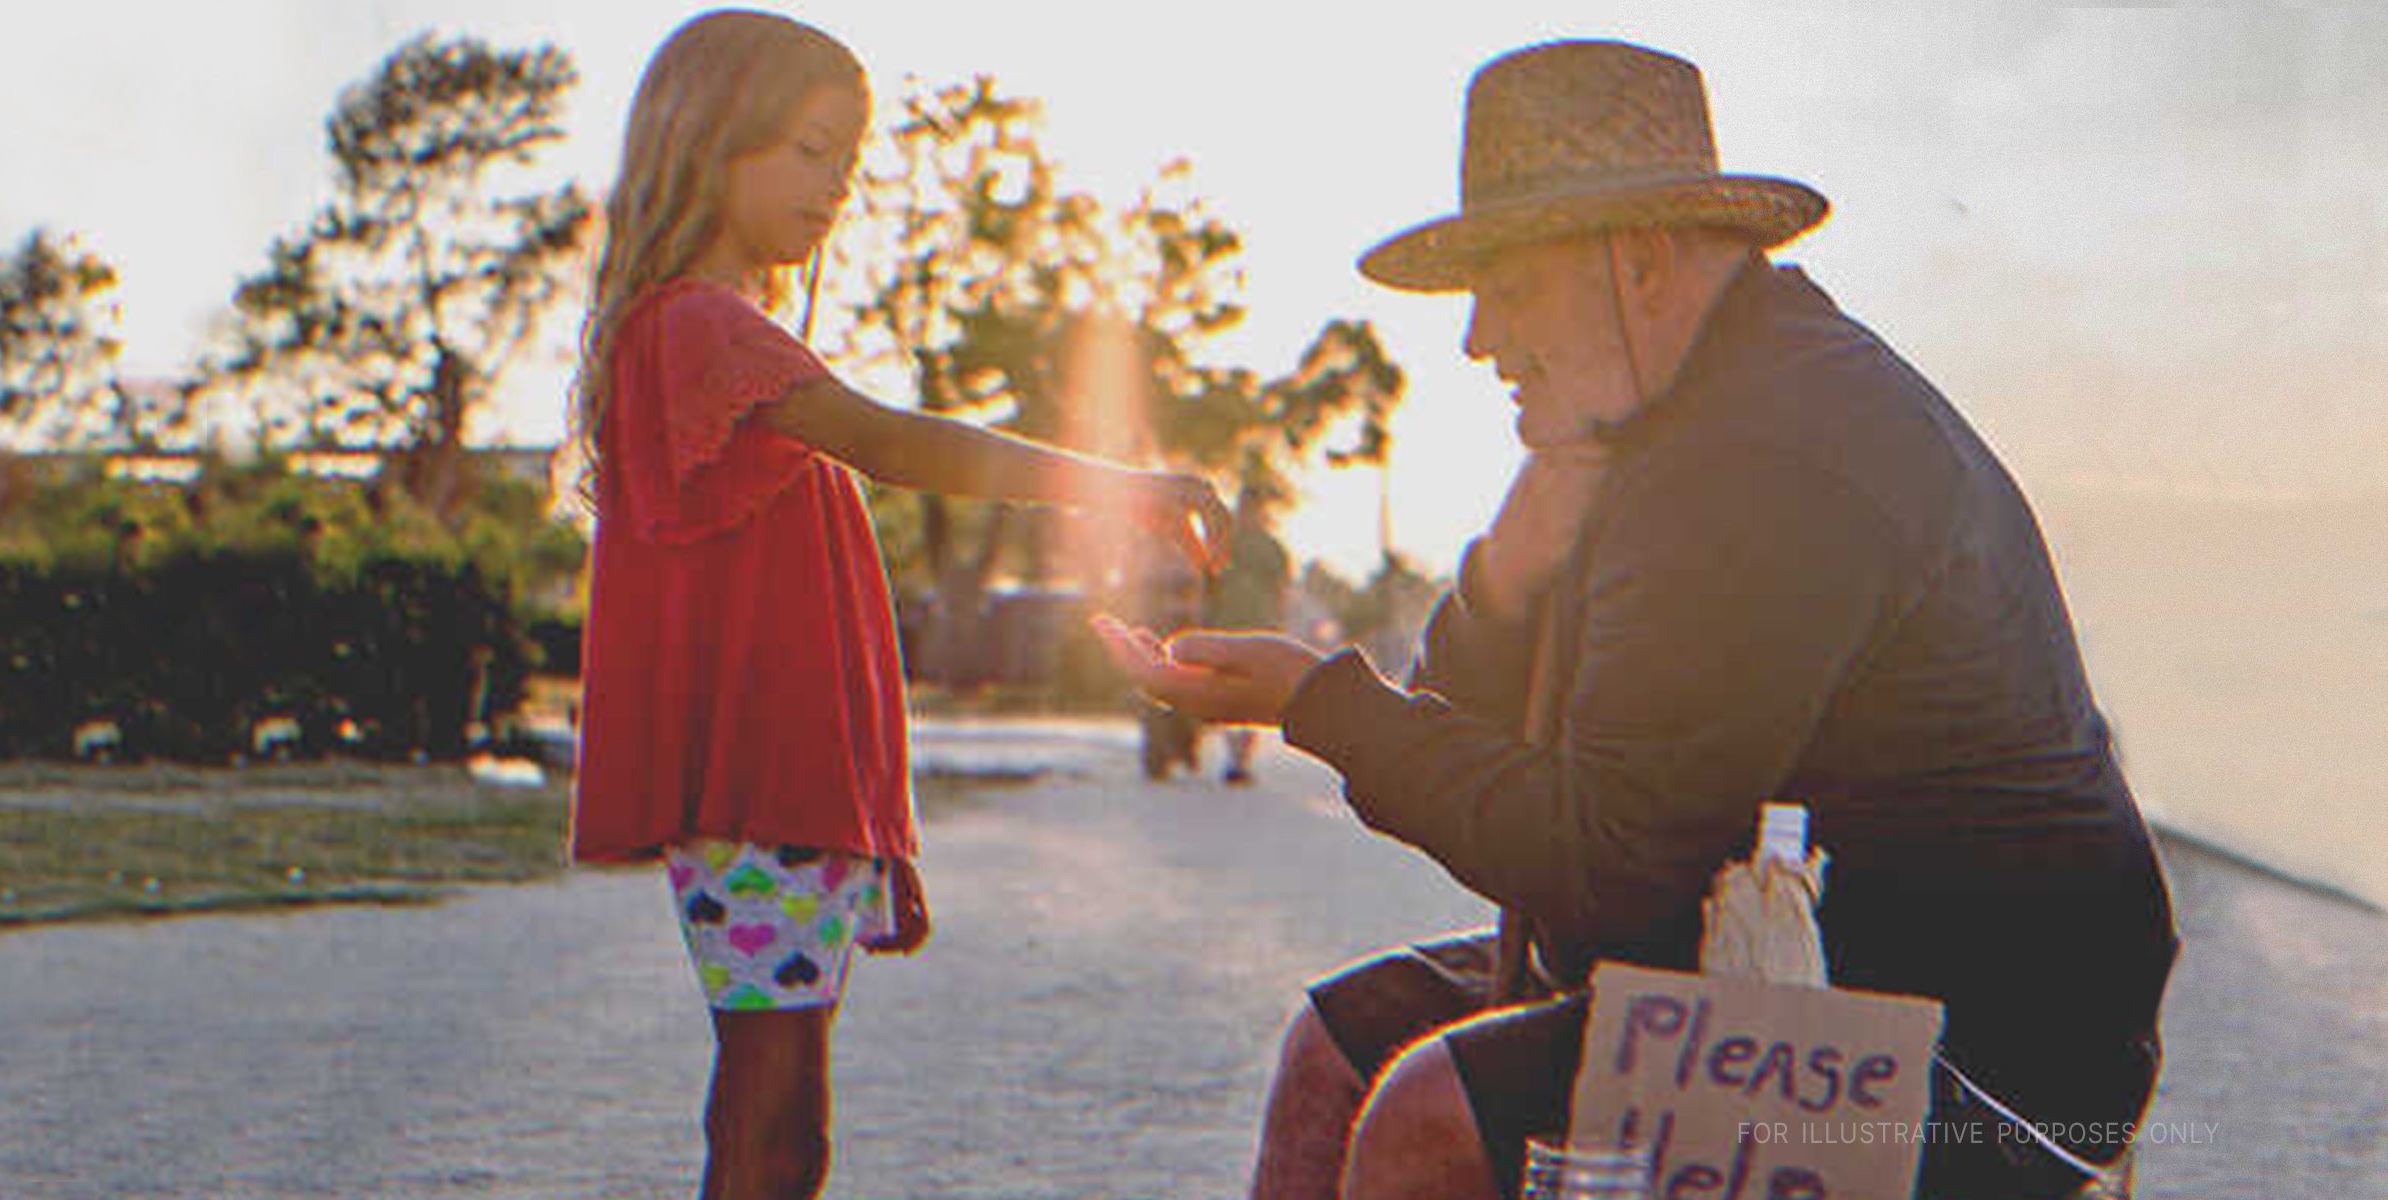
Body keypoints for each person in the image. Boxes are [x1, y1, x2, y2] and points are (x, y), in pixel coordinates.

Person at [1098, 40, 2177, 1200]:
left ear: (1643, 262)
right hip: (1759, 953)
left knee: (1430, 1118)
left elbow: (1599, 861)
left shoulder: (1766, 458)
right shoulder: (1658, 423)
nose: (1478, 339)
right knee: (1337, 1054)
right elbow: (1459, 716)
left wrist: (1316, 702)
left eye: (1508, 287)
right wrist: (1520, 547)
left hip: (1986, 1054)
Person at [565, 13, 1229, 1200]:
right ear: (713, 138)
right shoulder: (699, 329)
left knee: (778, 1106)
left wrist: (875, 823)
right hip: (762, 789)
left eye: (847, 162)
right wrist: (1119, 487)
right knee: (777, 1118)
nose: (835, 188)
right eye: (809, 150)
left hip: (790, 793)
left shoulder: (720, 333)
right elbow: (894, 442)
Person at [1202, 483, 1293, 784]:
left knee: (1251, 696)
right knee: (1229, 696)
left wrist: (1280, 625)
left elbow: (1281, 590)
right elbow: (1208, 584)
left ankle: (1240, 761)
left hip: (1260, 627)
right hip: (1226, 626)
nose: (1248, 513)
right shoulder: (1223, 542)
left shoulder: (1272, 548)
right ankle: (1235, 759)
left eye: (1252, 507)